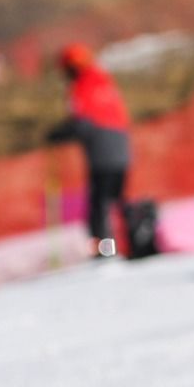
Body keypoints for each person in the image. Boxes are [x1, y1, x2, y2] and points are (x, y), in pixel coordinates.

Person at [46, 42, 132, 258]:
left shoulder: (82, 86)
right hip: (122, 150)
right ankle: (132, 245)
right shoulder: (104, 80)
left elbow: (82, 123)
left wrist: (58, 134)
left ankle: (106, 252)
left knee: (99, 207)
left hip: (102, 155)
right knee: (118, 201)